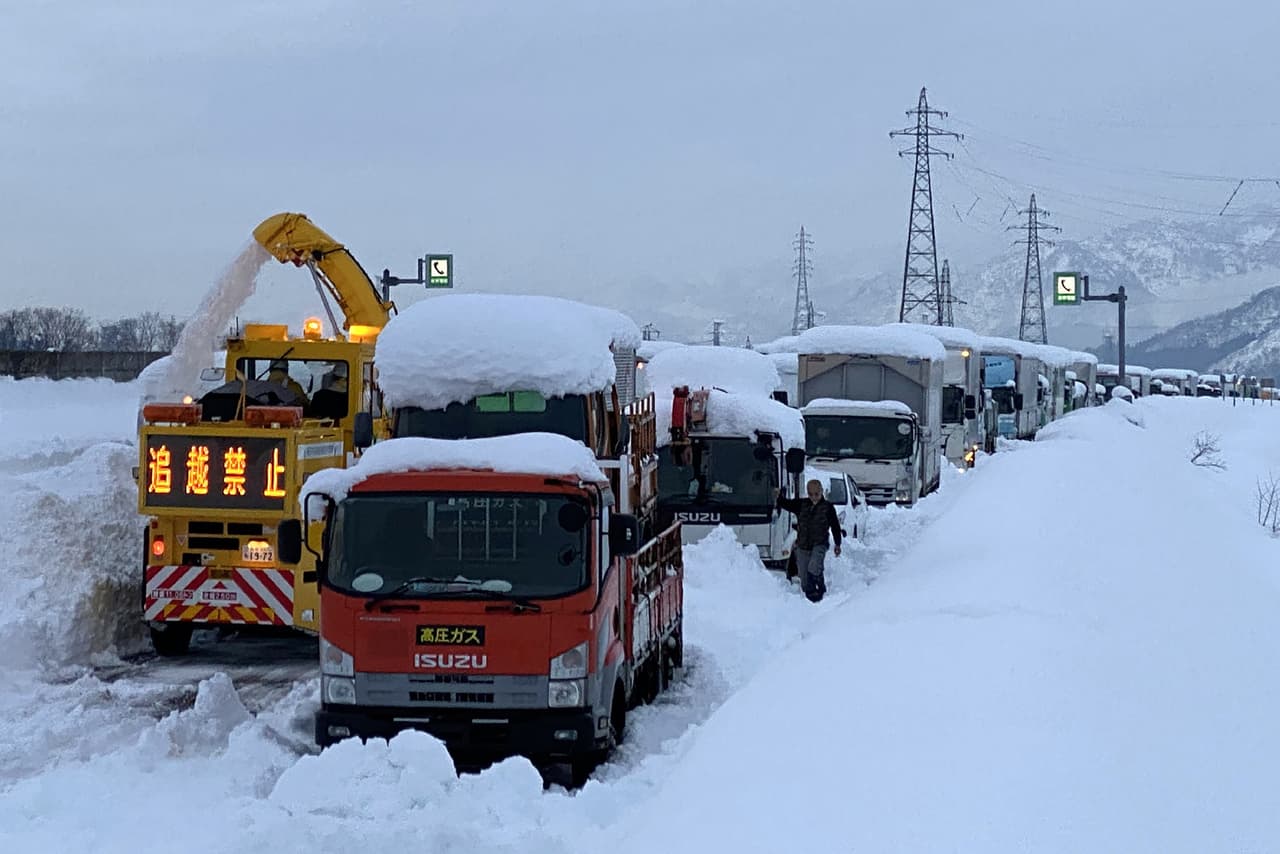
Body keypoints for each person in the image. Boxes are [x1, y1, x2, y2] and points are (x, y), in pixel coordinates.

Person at [775, 479, 842, 603]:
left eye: (816, 494)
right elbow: (787, 504)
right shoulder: (802, 504)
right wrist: (779, 497)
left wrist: (837, 544)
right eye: (810, 494)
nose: (813, 497)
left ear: (821, 492)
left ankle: (821, 588)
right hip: (803, 545)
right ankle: (810, 599)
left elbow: (835, 527)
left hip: (819, 544)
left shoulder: (828, 508)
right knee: (804, 578)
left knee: (814, 566)